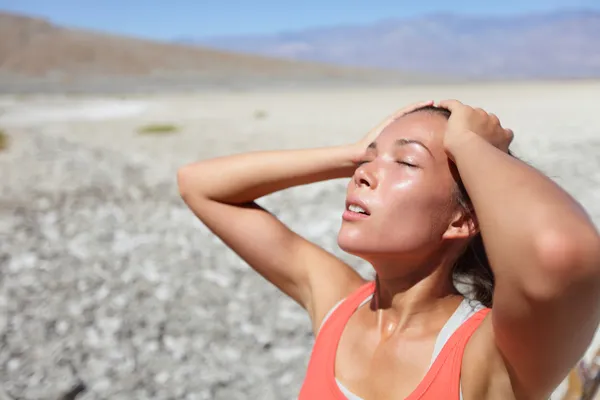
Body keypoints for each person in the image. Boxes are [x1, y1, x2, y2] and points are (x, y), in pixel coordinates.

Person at [177, 100, 600, 399]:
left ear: (462, 221)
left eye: (407, 163)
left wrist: (473, 144)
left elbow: (562, 252)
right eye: (368, 161)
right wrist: (351, 152)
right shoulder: (339, 307)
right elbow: (199, 185)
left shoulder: (489, 355)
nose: (362, 175)